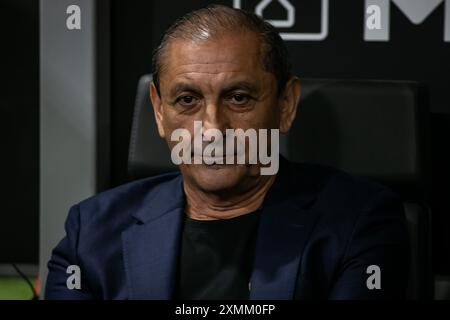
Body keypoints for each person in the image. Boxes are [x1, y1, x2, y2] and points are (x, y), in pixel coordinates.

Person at [45, 4, 408, 300]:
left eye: (239, 98)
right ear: (158, 112)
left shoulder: (358, 222)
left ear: (285, 104)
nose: (213, 129)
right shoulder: (91, 232)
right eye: (187, 100)